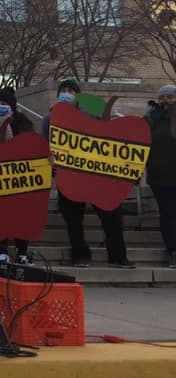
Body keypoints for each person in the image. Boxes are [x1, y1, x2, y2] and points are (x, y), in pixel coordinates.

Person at [42, 78, 135, 269]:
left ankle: (118, 256)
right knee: (73, 219)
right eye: (63, 91)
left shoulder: (92, 113)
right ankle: (80, 256)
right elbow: (46, 146)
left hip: (96, 174)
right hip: (68, 175)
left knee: (111, 215)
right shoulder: (49, 118)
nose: (66, 94)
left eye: (70, 91)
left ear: (78, 96)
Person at [0, 85, 37, 264]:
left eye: (4, 104)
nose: (0, 106)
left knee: (20, 216)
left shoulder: (22, 123)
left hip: (18, 177)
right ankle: (2, 251)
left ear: (11, 106)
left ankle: (22, 251)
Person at [144, 84, 176, 269]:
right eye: (163, 97)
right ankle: (173, 250)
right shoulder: (151, 117)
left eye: (170, 97)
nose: (166, 101)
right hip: (160, 176)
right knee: (168, 213)